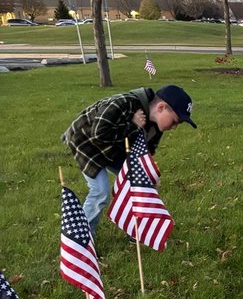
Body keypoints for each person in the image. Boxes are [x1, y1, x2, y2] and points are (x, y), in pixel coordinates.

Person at [62, 84, 196, 238]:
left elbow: (147, 151)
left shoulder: (156, 126)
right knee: (100, 191)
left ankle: (135, 230)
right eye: (174, 122)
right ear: (161, 107)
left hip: (112, 148)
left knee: (139, 182)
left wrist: (147, 174)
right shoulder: (124, 103)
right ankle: (82, 238)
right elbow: (99, 134)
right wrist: (132, 126)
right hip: (86, 143)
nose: (174, 128)